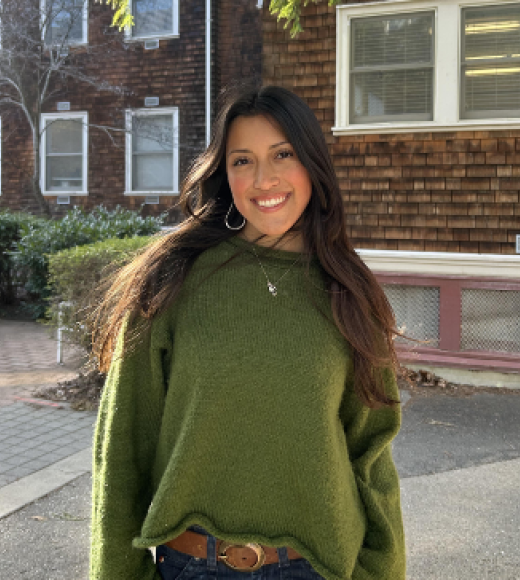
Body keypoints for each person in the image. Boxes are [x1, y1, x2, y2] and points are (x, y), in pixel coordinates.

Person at [89, 84, 406, 580]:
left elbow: (371, 453)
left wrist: (381, 570)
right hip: (194, 566)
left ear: (312, 163)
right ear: (224, 173)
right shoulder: (172, 279)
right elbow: (122, 450)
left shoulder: (348, 290)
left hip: (318, 567)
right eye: (243, 161)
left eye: (283, 154)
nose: (264, 179)